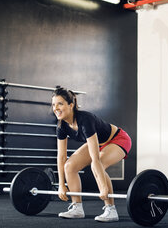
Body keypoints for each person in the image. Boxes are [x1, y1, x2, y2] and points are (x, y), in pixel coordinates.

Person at [51, 87, 132, 222]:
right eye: (53, 104)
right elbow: (61, 157)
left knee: (99, 162)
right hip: (98, 142)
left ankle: (110, 209)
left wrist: (104, 187)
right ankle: (77, 208)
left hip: (118, 139)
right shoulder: (61, 126)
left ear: (71, 105)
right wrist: (61, 184)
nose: (56, 108)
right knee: (69, 166)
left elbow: (95, 159)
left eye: (60, 104)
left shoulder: (85, 120)